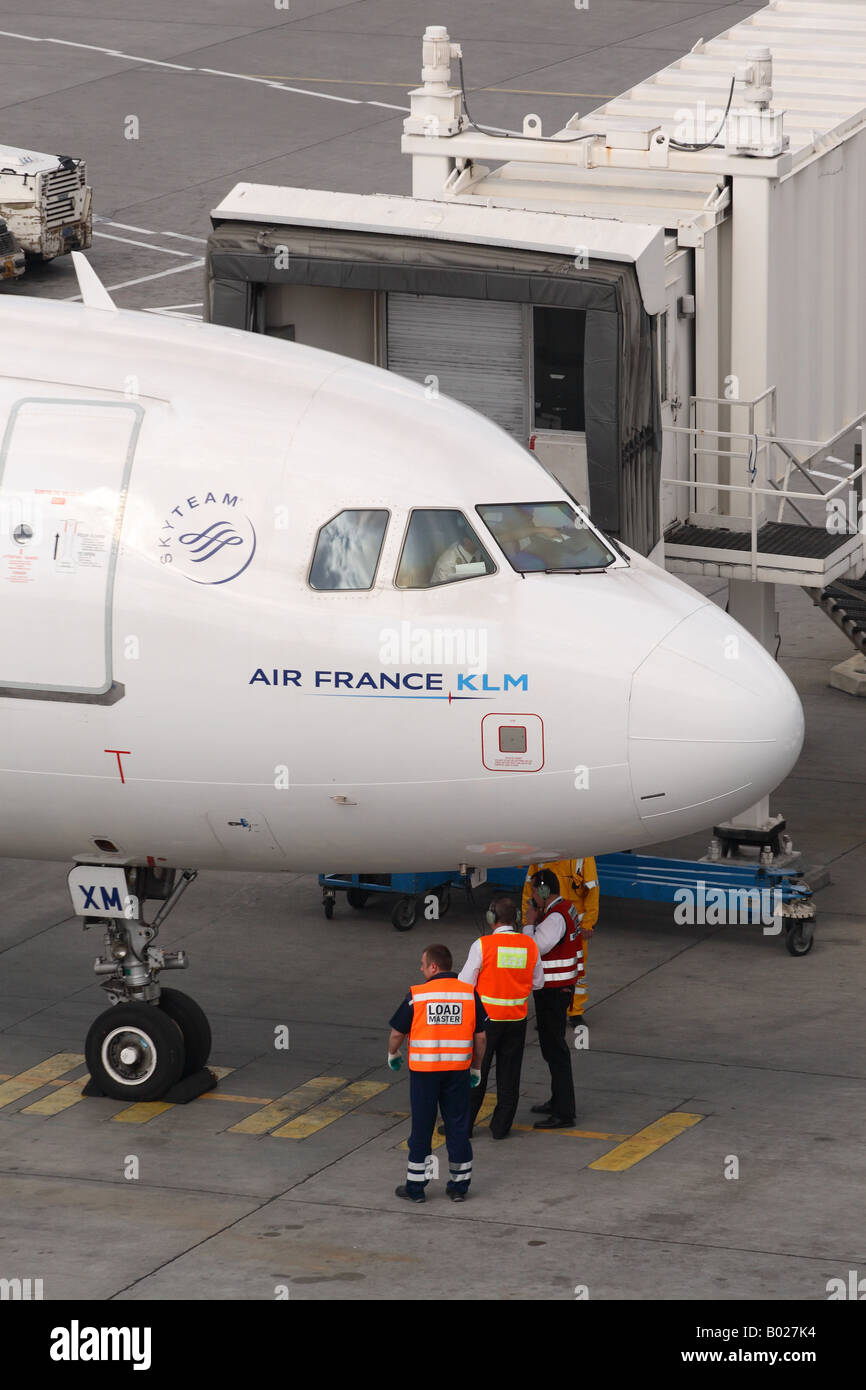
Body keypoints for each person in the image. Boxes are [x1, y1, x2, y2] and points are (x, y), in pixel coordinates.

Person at [386, 943, 487, 1203]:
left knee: (421, 1128)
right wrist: (476, 1067)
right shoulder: (468, 994)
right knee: (457, 1127)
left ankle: (416, 1189)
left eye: (423, 965)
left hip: (425, 1074)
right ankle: (459, 1187)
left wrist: (393, 1054)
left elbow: (397, 1032)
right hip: (457, 1072)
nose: (421, 969)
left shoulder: (417, 995)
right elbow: (481, 1037)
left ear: (433, 966)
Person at [457, 895, 542, 1139]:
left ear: (492, 917)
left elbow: (465, 983)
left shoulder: (483, 945)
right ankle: (500, 1128)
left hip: (486, 1022)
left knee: (476, 1072)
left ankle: (465, 1126)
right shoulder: (530, 945)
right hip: (516, 1020)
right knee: (509, 1074)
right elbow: (538, 982)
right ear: (516, 919)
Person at [524, 868, 580, 1128]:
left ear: (544, 891)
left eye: (534, 890)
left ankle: (564, 1112)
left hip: (553, 991)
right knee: (553, 1048)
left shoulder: (554, 918)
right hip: (560, 988)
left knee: (555, 1049)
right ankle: (558, 1101)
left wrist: (529, 921)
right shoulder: (565, 909)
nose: (532, 895)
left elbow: (533, 948)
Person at [522, 857, 599, 1025]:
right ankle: (551, 1011)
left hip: (574, 925)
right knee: (548, 968)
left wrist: (588, 922)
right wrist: (528, 916)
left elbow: (592, 888)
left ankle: (575, 1011)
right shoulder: (546, 847)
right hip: (549, 921)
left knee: (577, 970)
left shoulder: (584, 855)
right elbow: (530, 887)